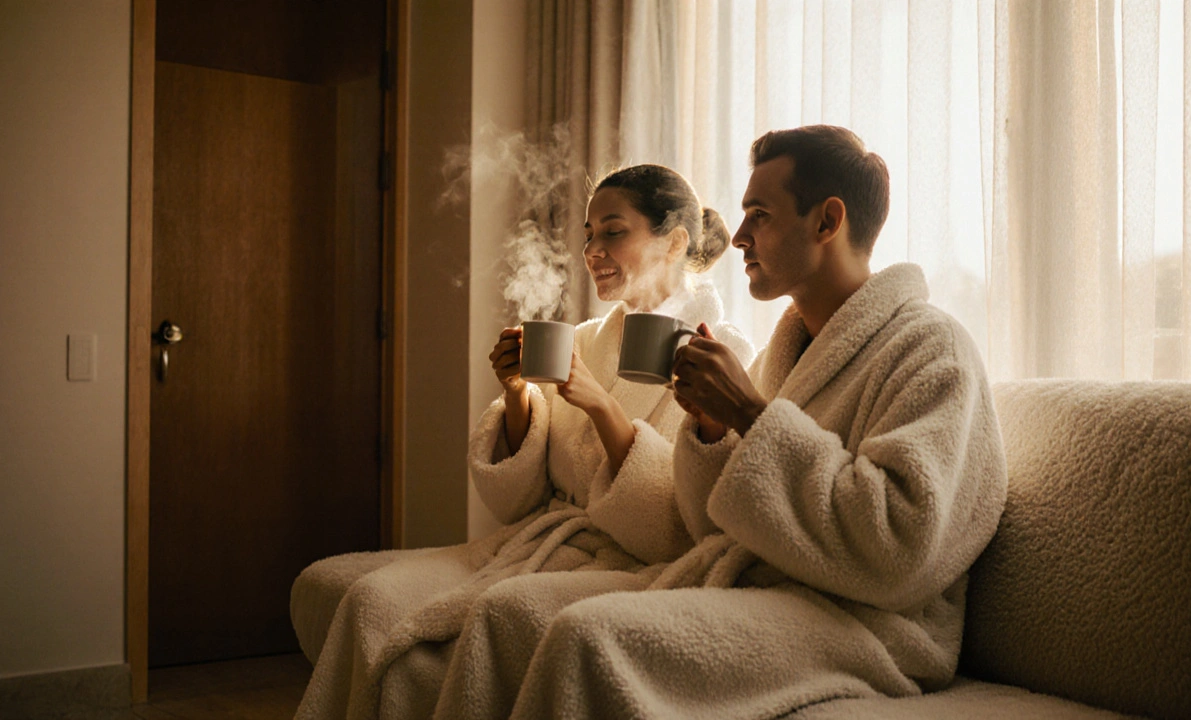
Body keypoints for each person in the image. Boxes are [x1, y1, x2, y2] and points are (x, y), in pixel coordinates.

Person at [436, 125, 1008, 720]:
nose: (736, 237)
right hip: (765, 587)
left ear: (826, 221)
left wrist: (750, 415)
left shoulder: (931, 349)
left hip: (872, 626)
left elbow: (901, 544)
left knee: (587, 637)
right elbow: (713, 524)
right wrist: (711, 430)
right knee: (507, 617)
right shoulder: (791, 354)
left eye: (758, 215)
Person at [288, 164, 753, 720]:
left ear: (674, 241)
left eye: (612, 231)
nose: (591, 249)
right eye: (587, 234)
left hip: (631, 564)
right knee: (370, 599)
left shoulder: (723, 356)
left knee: (465, 622)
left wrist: (600, 405)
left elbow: (675, 526)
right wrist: (516, 394)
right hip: (541, 544)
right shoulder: (584, 341)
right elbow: (517, 500)